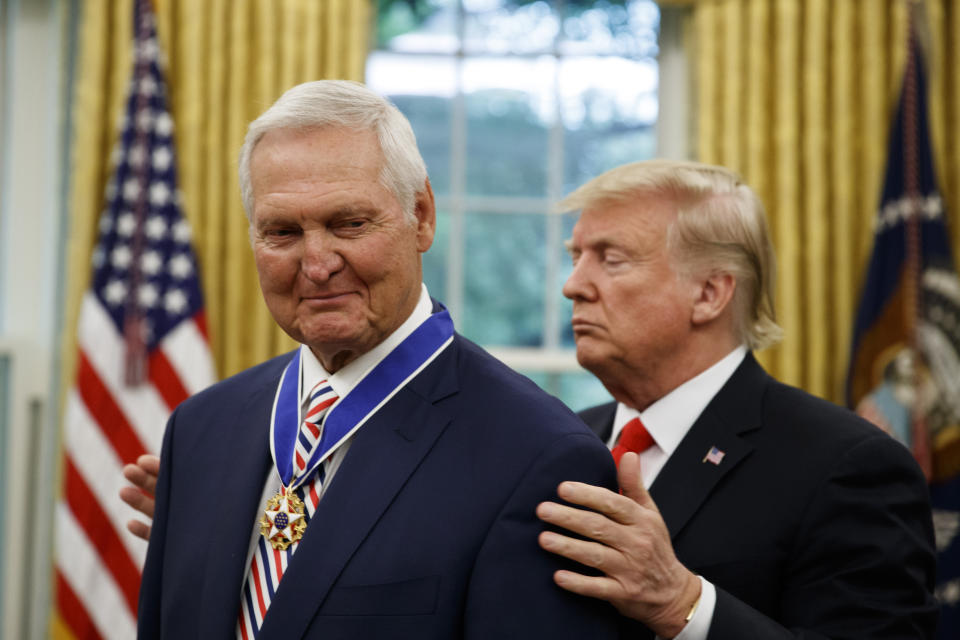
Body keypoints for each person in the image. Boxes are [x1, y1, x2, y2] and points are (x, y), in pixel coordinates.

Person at [134, 80, 622, 639]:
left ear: (422, 216)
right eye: (283, 231)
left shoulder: (539, 456)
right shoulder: (199, 431)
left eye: (349, 224)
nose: (317, 264)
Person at [534, 160, 939, 639]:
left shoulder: (849, 465)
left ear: (708, 293)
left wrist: (683, 605)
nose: (573, 285)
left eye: (611, 259)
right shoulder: (559, 441)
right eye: (576, 255)